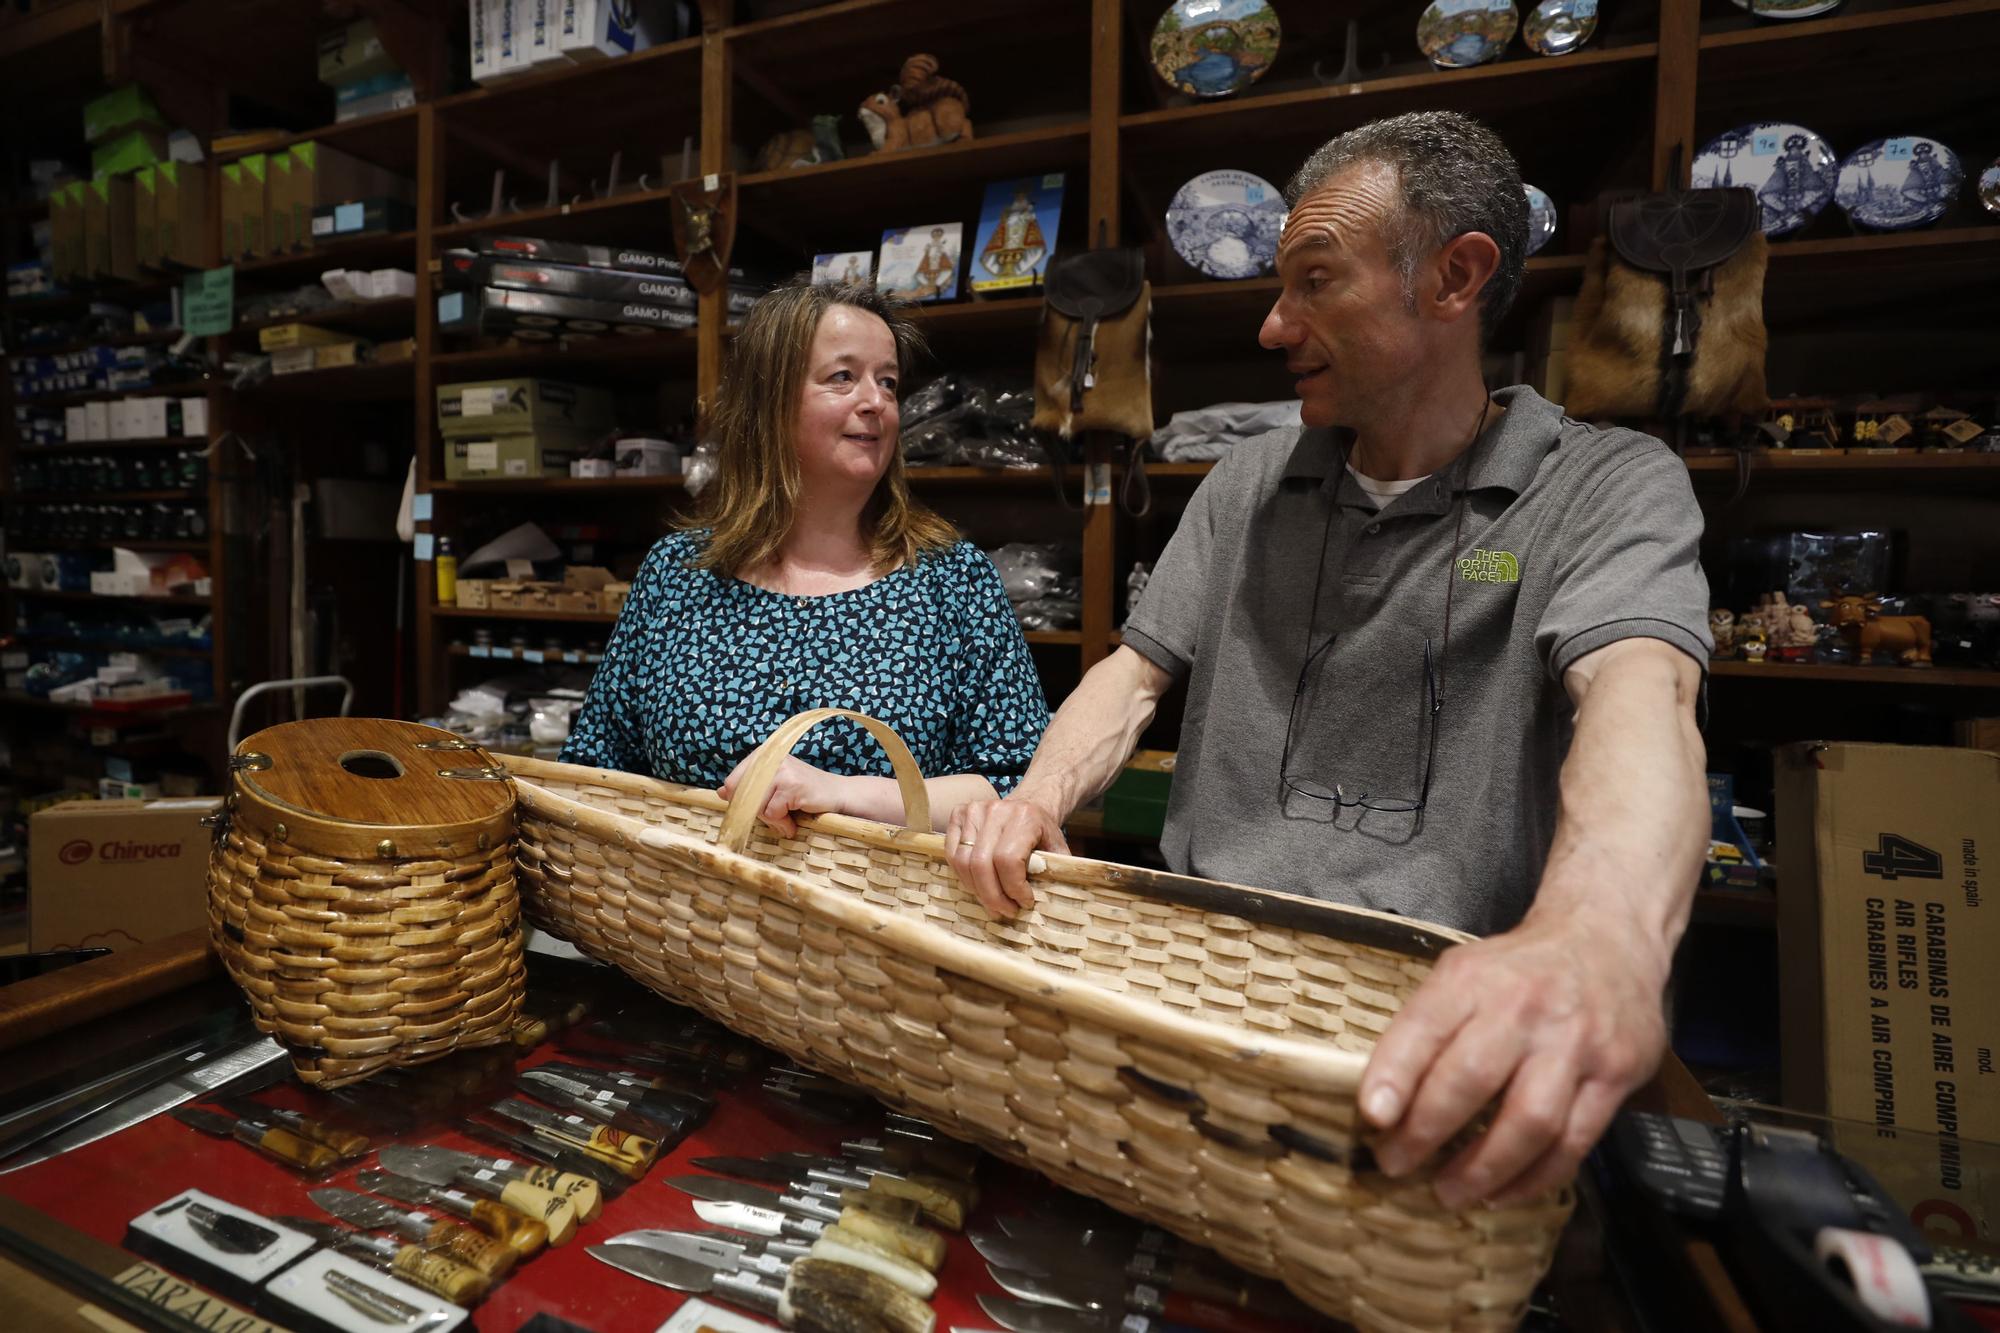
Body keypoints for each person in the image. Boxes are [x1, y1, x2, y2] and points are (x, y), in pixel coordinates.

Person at [946, 111, 1711, 1211]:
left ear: (1453, 278)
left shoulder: (1604, 487)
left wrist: (1597, 936)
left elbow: (1642, 696)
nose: (1271, 325)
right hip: (1190, 993)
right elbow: (1133, 675)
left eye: (1315, 280)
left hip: (1434, 1025)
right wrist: (1036, 796)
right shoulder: (1248, 482)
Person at [562, 279, 1049, 833]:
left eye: (887, 382)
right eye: (843, 377)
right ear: (768, 402)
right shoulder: (678, 573)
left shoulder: (952, 579)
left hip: (874, 910)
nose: (877, 402)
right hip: (685, 910)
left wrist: (844, 793)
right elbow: (595, 765)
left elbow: (1011, 782)